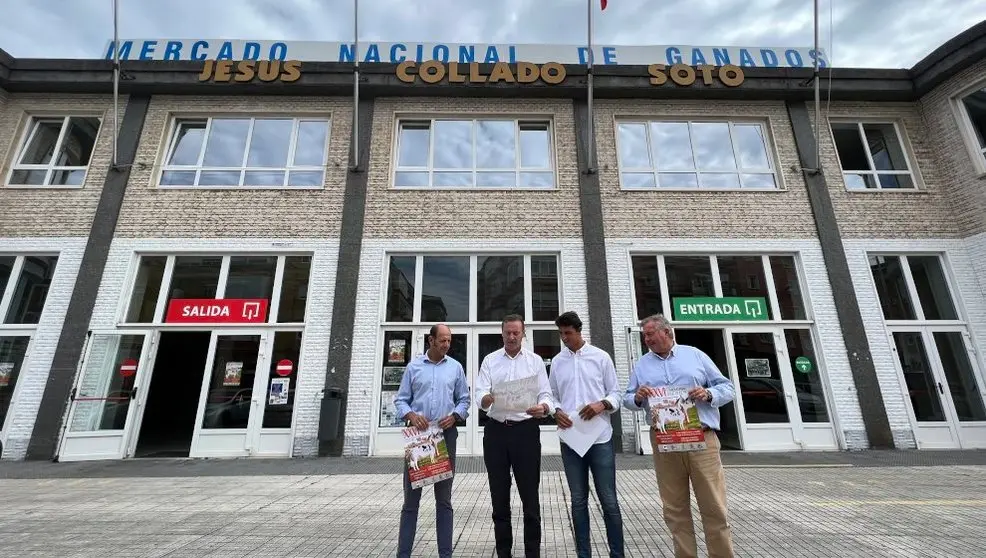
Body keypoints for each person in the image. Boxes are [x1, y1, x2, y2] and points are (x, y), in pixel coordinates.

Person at [623, 314, 736, 558]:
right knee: (674, 509)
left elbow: (727, 388)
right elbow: (627, 398)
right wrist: (638, 397)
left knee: (714, 506)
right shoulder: (642, 364)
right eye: (644, 336)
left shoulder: (694, 355)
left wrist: (707, 393)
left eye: (651, 334)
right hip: (665, 442)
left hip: (701, 439)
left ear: (667, 332)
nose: (647, 339)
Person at [475, 314, 553, 558]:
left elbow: (546, 394)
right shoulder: (490, 360)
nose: (511, 337)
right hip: (497, 431)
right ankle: (503, 553)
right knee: (499, 500)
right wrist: (487, 399)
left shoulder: (535, 361)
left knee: (530, 500)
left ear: (523, 334)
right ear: (502, 333)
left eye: (516, 333)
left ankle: (532, 553)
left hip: (526, 432)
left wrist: (544, 408)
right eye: (507, 332)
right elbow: (480, 393)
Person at [549, 311, 625, 558]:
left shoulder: (601, 358)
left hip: (600, 438)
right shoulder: (557, 362)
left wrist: (602, 404)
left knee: (609, 500)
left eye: (568, 333)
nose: (564, 338)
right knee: (578, 500)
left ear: (579, 331)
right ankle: (584, 554)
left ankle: (617, 553)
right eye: (561, 334)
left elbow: (616, 393)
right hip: (571, 440)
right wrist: (555, 411)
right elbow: (551, 396)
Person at [393, 323, 471, 558]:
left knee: (444, 500)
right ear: (431, 340)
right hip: (419, 437)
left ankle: (445, 554)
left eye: (449, 340)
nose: (447, 344)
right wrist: (411, 415)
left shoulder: (455, 368)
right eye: (443, 340)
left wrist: (456, 415)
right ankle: (403, 553)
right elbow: (400, 400)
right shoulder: (414, 367)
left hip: (445, 436)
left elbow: (464, 400)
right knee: (411, 501)